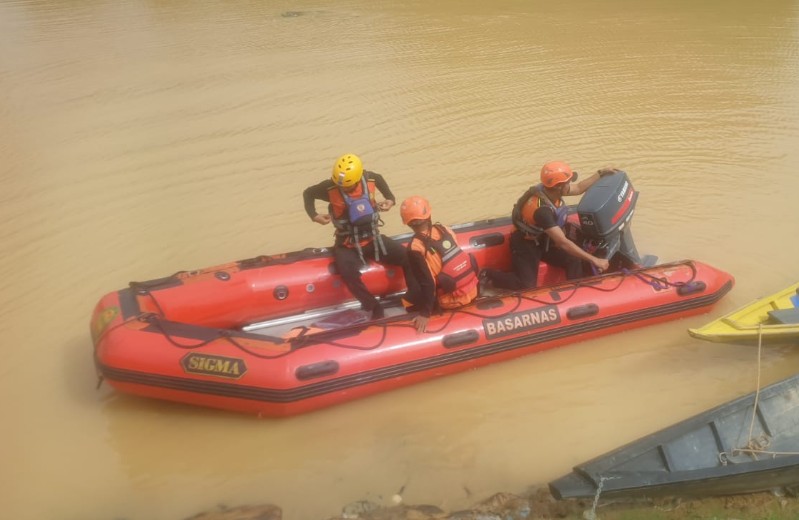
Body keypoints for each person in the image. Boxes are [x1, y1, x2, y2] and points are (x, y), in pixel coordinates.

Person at [303, 153, 419, 319]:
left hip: (373, 239)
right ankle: (372, 306)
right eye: (340, 186)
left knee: (409, 258)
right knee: (348, 273)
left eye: (348, 187)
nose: (343, 189)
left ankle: (413, 297)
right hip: (347, 243)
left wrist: (390, 199)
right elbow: (308, 193)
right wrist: (314, 215)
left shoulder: (370, 179)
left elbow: (379, 179)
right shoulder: (329, 188)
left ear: (358, 178)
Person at [482, 161, 613, 291]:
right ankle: (488, 275)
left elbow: (579, 187)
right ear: (558, 186)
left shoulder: (550, 191)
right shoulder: (542, 210)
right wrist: (595, 260)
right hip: (526, 244)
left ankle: (575, 292)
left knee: (573, 259)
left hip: (543, 239)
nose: (570, 185)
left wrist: (600, 173)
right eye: (567, 182)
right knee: (525, 286)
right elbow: (563, 243)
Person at [399, 196, 479, 333]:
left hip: (450, 299)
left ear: (408, 223)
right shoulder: (446, 229)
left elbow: (428, 283)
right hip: (472, 289)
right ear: (429, 215)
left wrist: (425, 313)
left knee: (407, 300)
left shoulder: (415, 247)